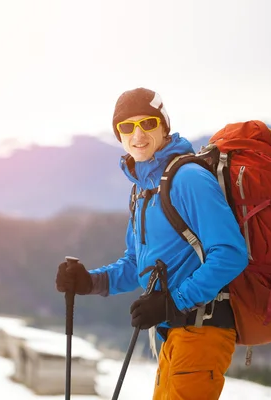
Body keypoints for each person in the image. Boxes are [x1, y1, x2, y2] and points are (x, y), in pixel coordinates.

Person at [55, 87, 249, 399]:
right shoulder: (143, 190)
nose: (138, 135)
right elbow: (136, 264)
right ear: (118, 135)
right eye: (126, 127)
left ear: (164, 125)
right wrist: (90, 281)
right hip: (172, 331)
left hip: (202, 329)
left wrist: (173, 301)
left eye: (147, 123)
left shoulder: (187, 179)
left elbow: (230, 253)